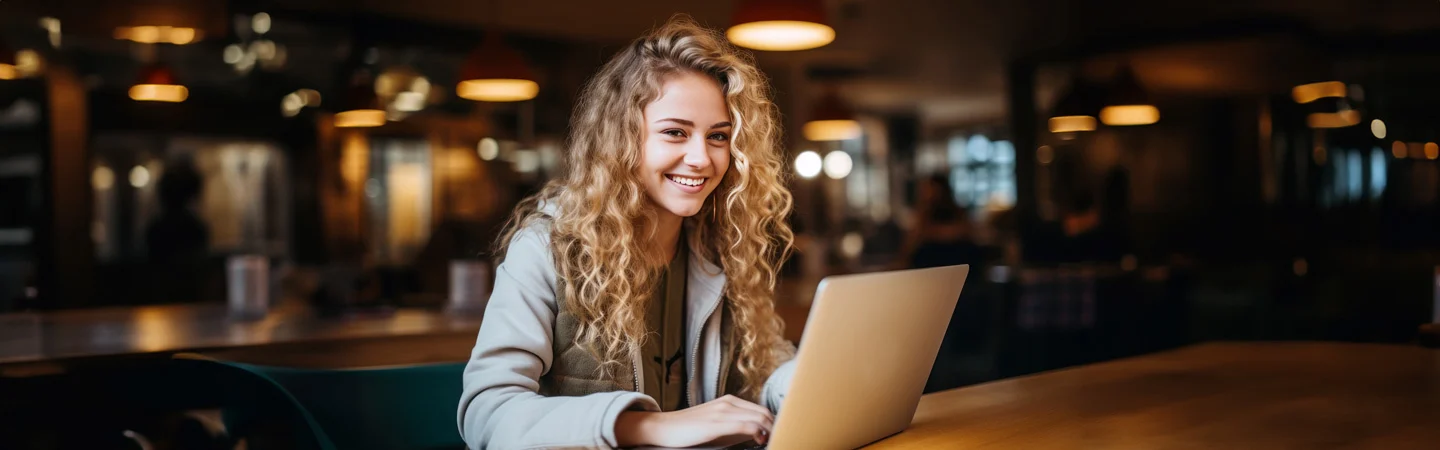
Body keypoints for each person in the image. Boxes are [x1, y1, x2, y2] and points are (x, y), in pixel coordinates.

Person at [458, 16, 797, 449]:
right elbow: (487, 415)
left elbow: (767, 366)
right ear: (621, 140)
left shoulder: (722, 244)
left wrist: (809, 382)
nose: (702, 158)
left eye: (718, 137)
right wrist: (652, 426)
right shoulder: (547, 248)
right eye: (675, 132)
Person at [896, 174, 977, 269]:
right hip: (928, 269)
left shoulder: (957, 213)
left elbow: (965, 232)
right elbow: (909, 247)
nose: (928, 194)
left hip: (955, 264)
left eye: (932, 189)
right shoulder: (923, 215)